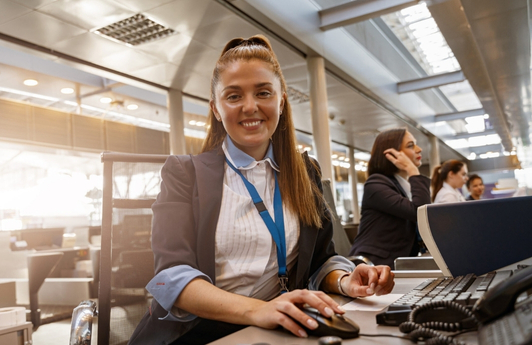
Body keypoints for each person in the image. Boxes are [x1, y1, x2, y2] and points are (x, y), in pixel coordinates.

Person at [129, 35, 395, 345]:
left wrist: (346, 281)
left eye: (263, 92)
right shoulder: (184, 173)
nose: (250, 107)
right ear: (216, 108)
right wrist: (260, 310)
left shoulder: (305, 172)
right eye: (233, 96)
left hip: (274, 332)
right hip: (197, 335)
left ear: (281, 101)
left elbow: (321, 259)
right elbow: (168, 278)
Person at [348, 128, 431, 269]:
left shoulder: (404, 186)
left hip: (397, 264)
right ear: (392, 154)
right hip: (372, 266)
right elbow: (420, 211)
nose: (419, 149)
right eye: (411, 145)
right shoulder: (375, 184)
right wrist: (413, 171)